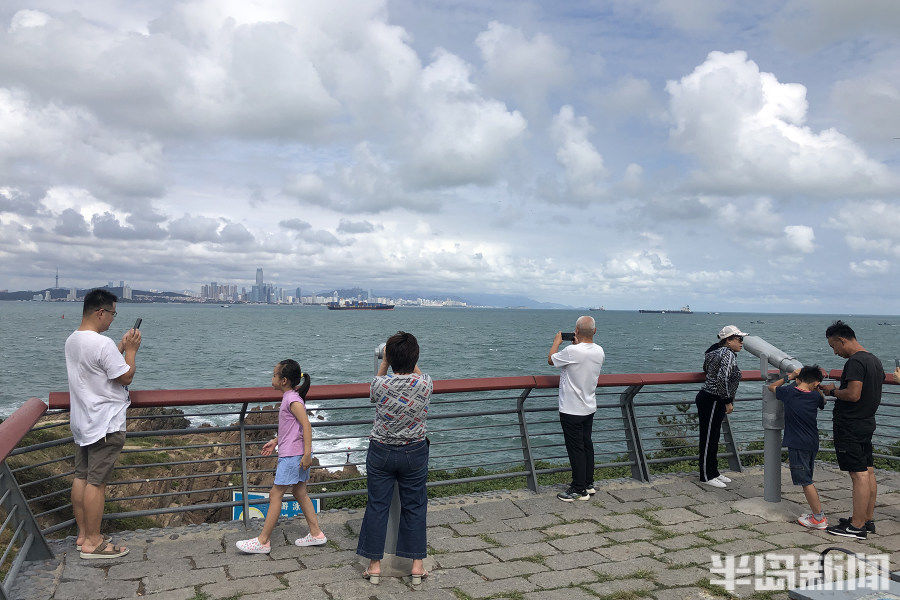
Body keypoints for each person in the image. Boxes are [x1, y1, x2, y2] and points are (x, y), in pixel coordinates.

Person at [66, 289, 140, 559]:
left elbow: (99, 367)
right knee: (96, 484)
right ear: (101, 312)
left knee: (81, 477)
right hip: (105, 424)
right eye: (112, 313)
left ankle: (83, 535)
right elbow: (125, 376)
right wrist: (130, 350)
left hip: (83, 422)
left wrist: (118, 347)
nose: (112, 319)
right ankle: (94, 542)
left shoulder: (73, 340)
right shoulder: (101, 343)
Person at [357, 332, 431, 585]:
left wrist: (385, 361)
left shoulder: (380, 385)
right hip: (414, 451)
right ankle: (417, 567)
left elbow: (372, 394)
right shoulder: (426, 384)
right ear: (415, 357)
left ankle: (374, 567)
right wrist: (408, 360)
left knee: (378, 506)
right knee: (415, 506)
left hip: (381, 451)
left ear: (389, 357)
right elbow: (417, 374)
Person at [236, 360, 326, 553]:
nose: (272, 377)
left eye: (274, 374)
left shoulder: (291, 400)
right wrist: (276, 441)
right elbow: (292, 428)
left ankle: (263, 541)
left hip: (293, 456)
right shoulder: (290, 397)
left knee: (275, 494)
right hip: (296, 453)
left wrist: (307, 454)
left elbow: (306, 426)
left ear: (284, 380)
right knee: (299, 492)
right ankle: (316, 533)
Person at [820, 321, 883, 540]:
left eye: (834, 346)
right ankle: (866, 519)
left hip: (851, 425)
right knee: (868, 471)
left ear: (842, 340)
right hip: (866, 422)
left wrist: (833, 391)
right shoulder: (873, 360)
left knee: (858, 474)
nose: (835, 352)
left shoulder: (856, 362)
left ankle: (856, 527)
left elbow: (854, 394)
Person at [548, 316, 605, 502]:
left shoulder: (572, 351)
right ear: (595, 331)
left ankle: (577, 488)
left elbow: (551, 360)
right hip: (589, 406)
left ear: (576, 331)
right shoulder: (599, 351)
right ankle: (588, 484)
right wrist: (578, 342)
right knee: (587, 445)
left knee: (576, 449)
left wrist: (557, 342)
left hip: (571, 408)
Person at [767, 366, 827, 529]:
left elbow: (772, 387)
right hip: (812, 442)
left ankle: (818, 518)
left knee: (806, 481)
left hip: (797, 443)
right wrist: (818, 387)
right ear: (815, 382)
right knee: (807, 477)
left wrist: (790, 376)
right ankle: (816, 515)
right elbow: (823, 401)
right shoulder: (815, 395)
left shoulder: (790, 393)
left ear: (800, 378)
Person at [696, 325, 746, 488]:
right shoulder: (727, 354)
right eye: (739, 339)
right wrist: (728, 400)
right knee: (709, 437)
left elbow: (707, 370)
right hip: (713, 399)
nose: (742, 343)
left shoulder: (713, 353)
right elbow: (722, 379)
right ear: (728, 340)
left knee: (713, 436)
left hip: (709, 398)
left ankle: (713, 471)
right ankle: (705, 475)